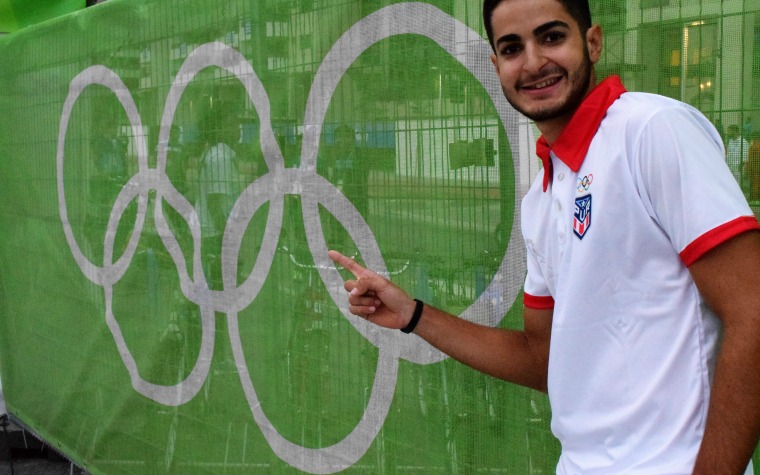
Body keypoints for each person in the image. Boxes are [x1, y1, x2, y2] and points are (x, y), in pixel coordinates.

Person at [328, 0, 760, 473]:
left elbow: (752, 311)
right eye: (512, 48)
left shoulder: (652, 130)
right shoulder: (541, 195)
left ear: (592, 42)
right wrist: (413, 314)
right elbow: (543, 360)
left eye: (552, 37)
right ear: (496, 66)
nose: (533, 63)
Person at [727, 123, 750, 188]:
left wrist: (742, 165)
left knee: (737, 185)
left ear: (734, 131)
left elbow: (745, 155)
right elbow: (729, 153)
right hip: (730, 165)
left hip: (738, 167)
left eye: (729, 131)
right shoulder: (731, 141)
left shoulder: (743, 142)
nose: (728, 133)